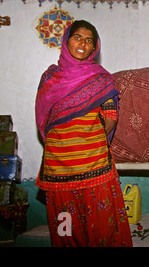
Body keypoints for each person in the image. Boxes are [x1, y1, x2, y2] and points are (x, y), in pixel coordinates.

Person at [35, 20, 133, 247]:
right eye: (77, 37)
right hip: (58, 168)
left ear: (94, 48)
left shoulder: (102, 80)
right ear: (66, 41)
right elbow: (44, 120)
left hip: (94, 167)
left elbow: (110, 119)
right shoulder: (50, 78)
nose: (83, 43)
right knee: (65, 230)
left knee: (103, 230)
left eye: (89, 40)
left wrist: (88, 140)